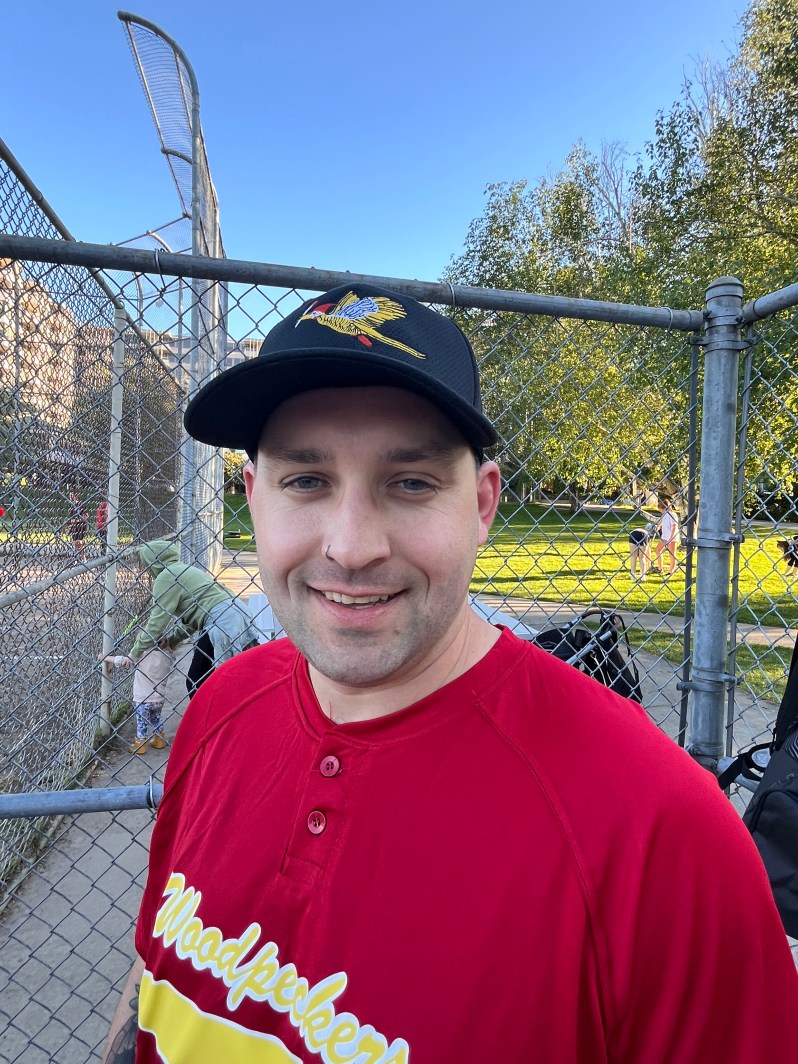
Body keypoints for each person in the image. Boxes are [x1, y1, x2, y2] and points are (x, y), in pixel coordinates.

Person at [105, 283, 798, 1063]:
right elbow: (153, 974)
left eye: (411, 483)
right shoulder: (221, 706)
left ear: (482, 505)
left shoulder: (659, 832)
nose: (351, 547)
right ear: (254, 499)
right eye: (306, 481)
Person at [653, 495, 678, 577]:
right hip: (664, 536)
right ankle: (660, 568)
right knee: (657, 550)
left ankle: (671, 571)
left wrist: (671, 538)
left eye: (660, 509)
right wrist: (658, 526)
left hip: (672, 538)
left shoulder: (672, 515)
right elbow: (662, 521)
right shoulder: (664, 514)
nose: (659, 511)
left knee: (672, 554)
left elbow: (674, 526)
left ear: (663, 508)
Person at [65, 492, 88, 558]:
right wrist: (68, 523)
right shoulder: (72, 506)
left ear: (76, 496)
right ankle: (80, 555)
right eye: (70, 496)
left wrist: (78, 520)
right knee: (75, 542)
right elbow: (71, 517)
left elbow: (86, 516)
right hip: (74, 526)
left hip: (80, 526)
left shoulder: (80, 505)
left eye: (72, 496)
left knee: (79, 541)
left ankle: (83, 555)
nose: (70, 497)